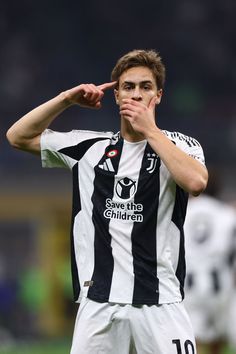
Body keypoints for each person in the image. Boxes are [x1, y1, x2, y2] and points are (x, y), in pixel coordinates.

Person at [6, 49, 208, 354]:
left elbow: (196, 182)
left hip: (161, 304)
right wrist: (65, 100)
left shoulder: (180, 145)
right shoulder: (89, 147)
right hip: (99, 306)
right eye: (128, 87)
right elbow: (17, 136)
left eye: (145, 87)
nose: (136, 94)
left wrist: (150, 130)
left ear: (159, 96)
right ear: (116, 96)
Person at [184, 170, 236, 354]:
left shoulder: (183, 212)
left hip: (188, 285)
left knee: (190, 338)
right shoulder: (227, 214)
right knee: (219, 338)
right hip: (219, 285)